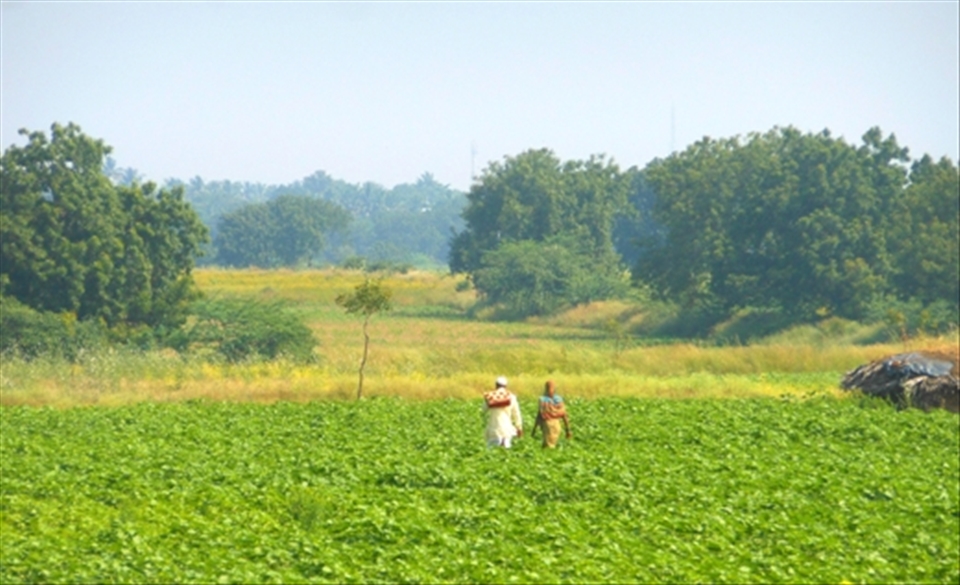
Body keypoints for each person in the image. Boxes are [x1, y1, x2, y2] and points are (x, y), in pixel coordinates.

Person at [483, 376, 523, 448]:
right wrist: (519, 427)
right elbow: (516, 414)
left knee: (491, 451)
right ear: (506, 386)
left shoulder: (491, 396)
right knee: (505, 450)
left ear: (496, 385)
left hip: (493, 429)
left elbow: (484, 409)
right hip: (506, 429)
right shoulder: (511, 396)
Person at [532, 380, 571, 448]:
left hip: (548, 424)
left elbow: (539, 415)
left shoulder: (543, 399)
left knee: (549, 446)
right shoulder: (558, 399)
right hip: (556, 424)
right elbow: (564, 415)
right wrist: (567, 429)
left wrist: (534, 429)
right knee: (547, 445)